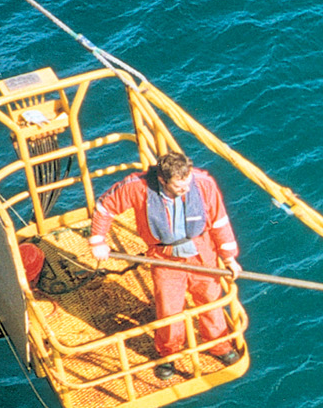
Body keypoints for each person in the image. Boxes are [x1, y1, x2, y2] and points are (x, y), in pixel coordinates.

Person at [89, 150, 242, 381]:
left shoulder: (204, 185)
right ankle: (169, 354)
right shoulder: (136, 187)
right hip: (163, 258)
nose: (186, 189)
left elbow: (220, 221)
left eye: (188, 183)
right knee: (169, 310)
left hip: (201, 253)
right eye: (180, 187)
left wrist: (229, 257)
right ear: (162, 180)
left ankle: (220, 346)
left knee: (211, 300)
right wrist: (98, 240)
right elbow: (105, 207)